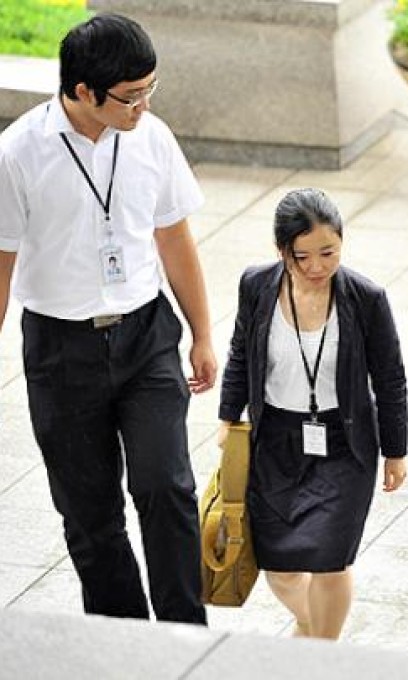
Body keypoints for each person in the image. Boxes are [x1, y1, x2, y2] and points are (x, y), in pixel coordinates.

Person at [0, 13, 215, 623]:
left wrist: (202, 334)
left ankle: (185, 636)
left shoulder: (152, 138)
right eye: (131, 95)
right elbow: (1, 269)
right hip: (60, 350)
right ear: (83, 91)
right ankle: (125, 640)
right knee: (90, 515)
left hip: (146, 336)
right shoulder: (17, 154)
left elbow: (174, 238)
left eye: (151, 89)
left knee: (166, 486)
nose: (144, 106)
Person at [218, 188, 408, 640]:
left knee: (330, 560)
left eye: (329, 252)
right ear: (281, 250)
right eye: (301, 257)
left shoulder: (366, 298)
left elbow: (390, 379)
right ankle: (312, 628)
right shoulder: (257, 286)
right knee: (279, 566)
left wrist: (395, 452)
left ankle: (322, 650)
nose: (317, 267)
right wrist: (227, 417)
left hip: (344, 443)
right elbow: (241, 352)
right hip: (276, 442)